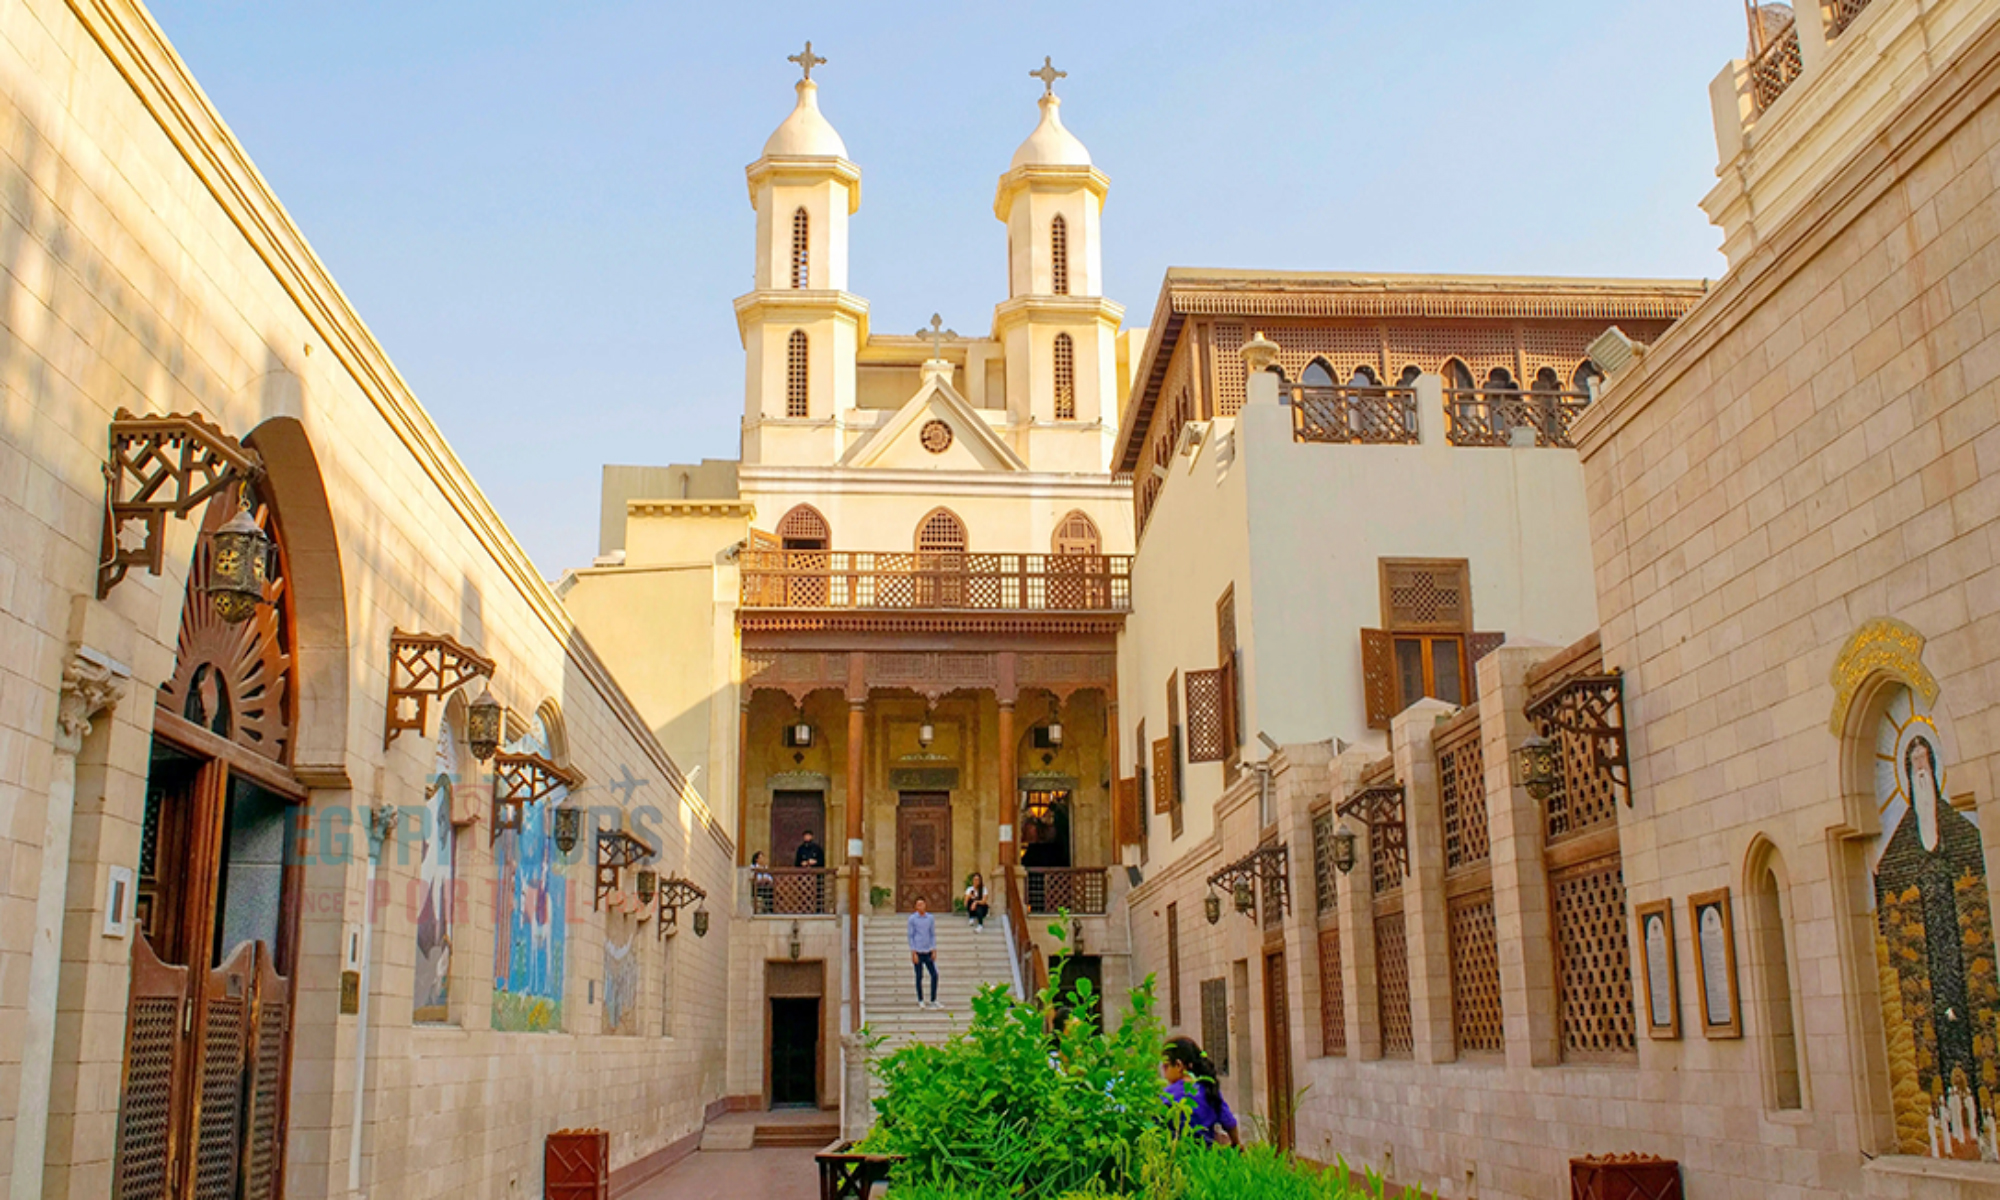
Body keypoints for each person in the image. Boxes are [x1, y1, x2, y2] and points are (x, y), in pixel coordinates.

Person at [1162, 1036, 1239, 1147]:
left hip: (1178, 1154)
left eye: (1166, 1067)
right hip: (1206, 1156)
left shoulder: (1168, 1095)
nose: (1165, 1074)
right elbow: (1230, 1123)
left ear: (1179, 1065)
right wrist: (1236, 1144)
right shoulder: (1208, 1089)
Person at [908, 897, 939, 1010]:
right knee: (919, 976)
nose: (920, 906)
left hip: (928, 950)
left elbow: (932, 934)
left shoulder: (930, 918)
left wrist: (934, 949)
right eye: (918, 904)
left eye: (922, 904)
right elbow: (911, 935)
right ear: (916, 907)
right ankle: (920, 999)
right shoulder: (912, 919)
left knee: (934, 974)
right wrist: (913, 951)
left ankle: (933, 999)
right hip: (918, 950)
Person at [794, 830, 825, 911]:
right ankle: (804, 909)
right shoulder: (800, 849)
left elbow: (822, 862)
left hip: (816, 876)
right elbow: (797, 863)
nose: (807, 837)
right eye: (805, 836)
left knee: (817, 893)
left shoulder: (817, 849)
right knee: (804, 893)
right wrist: (803, 863)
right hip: (804, 876)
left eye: (808, 835)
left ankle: (818, 909)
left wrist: (815, 862)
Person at [749, 851, 774, 915]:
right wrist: (761, 880)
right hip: (756, 887)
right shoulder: (753, 867)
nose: (763, 859)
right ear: (756, 859)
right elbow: (752, 878)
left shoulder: (765, 868)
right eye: (761, 858)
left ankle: (770, 909)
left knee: (770, 890)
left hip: (765, 887)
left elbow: (770, 879)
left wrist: (767, 880)